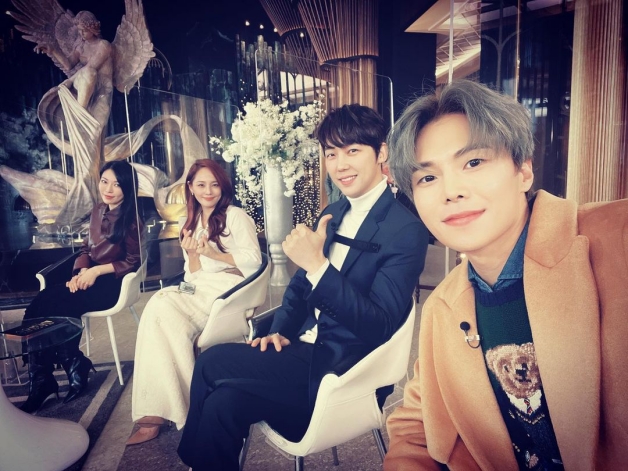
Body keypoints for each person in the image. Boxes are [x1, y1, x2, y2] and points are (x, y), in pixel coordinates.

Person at [384, 80, 628, 470]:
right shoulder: (443, 308)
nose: (451, 191)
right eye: (427, 178)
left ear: (524, 170)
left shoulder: (617, 240)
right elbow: (417, 422)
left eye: (474, 162)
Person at [177, 104, 430, 471]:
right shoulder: (334, 212)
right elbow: (298, 287)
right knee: (222, 404)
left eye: (352, 150)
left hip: (342, 370)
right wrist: (279, 330)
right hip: (299, 351)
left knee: (211, 360)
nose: (340, 165)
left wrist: (318, 266)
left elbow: (378, 326)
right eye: (332, 153)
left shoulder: (405, 229)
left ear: (382, 153)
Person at [127, 159, 262, 445]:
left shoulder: (235, 216)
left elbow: (254, 262)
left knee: (164, 310)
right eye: (201, 184)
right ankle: (162, 407)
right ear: (190, 187)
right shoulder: (190, 221)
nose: (208, 191)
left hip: (229, 291)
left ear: (223, 187)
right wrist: (193, 256)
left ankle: (182, 407)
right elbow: (193, 275)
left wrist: (214, 254)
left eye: (214, 184)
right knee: (157, 310)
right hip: (201, 286)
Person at [20, 160, 142, 413]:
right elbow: (86, 249)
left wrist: (96, 271)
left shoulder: (132, 220)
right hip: (91, 275)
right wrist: (82, 271)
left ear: (127, 187)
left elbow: (134, 261)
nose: (108, 189)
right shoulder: (98, 210)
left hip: (114, 283)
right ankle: (44, 376)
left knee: (59, 302)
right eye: (104, 182)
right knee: (42, 301)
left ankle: (71, 364)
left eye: (117, 184)